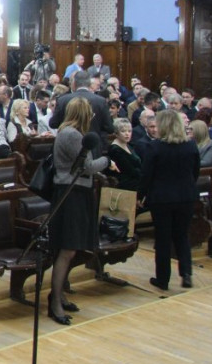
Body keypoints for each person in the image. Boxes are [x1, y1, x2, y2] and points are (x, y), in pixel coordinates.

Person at [48, 98, 113, 325]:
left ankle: (59, 295)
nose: (93, 117)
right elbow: (87, 167)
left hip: (77, 192)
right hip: (70, 194)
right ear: (83, 114)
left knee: (71, 249)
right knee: (66, 249)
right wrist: (108, 159)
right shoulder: (72, 135)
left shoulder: (71, 133)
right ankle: (55, 302)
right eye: (90, 114)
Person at [140, 109, 200, 290]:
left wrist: (140, 195)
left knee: (163, 238)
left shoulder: (155, 147)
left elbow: (146, 175)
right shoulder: (190, 146)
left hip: (161, 198)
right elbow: (195, 172)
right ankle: (186, 273)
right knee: (182, 235)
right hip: (186, 196)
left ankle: (163, 279)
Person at [49, 70, 114, 156]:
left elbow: (53, 123)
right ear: (89, 84)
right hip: (92, 148)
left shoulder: (62, 100)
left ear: (74, 83)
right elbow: (109, 128)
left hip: (68, 147)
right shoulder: (100, 101)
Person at [106, 118, 142, 194]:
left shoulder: (128, 145)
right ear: (116, 133)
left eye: (129, 131)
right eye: (123, 131)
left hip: (134, 180)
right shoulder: (115, 150)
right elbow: (130, 170)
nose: (127, 134)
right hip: (124, 185)